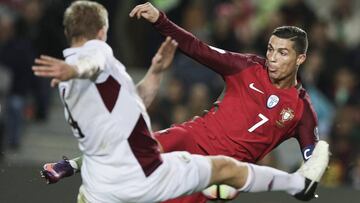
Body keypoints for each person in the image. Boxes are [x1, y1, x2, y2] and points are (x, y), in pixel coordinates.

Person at [38, 1, 329, 202]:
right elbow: (197, 47)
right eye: (270, 49)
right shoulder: (247, 66)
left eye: (282, 53)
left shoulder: (302, 110)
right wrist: (161, 21)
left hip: (216, 172)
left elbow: (311, 160)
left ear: (300, 58)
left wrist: (311, 176)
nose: (273, 58)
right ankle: (70, 166)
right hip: (192, 135)